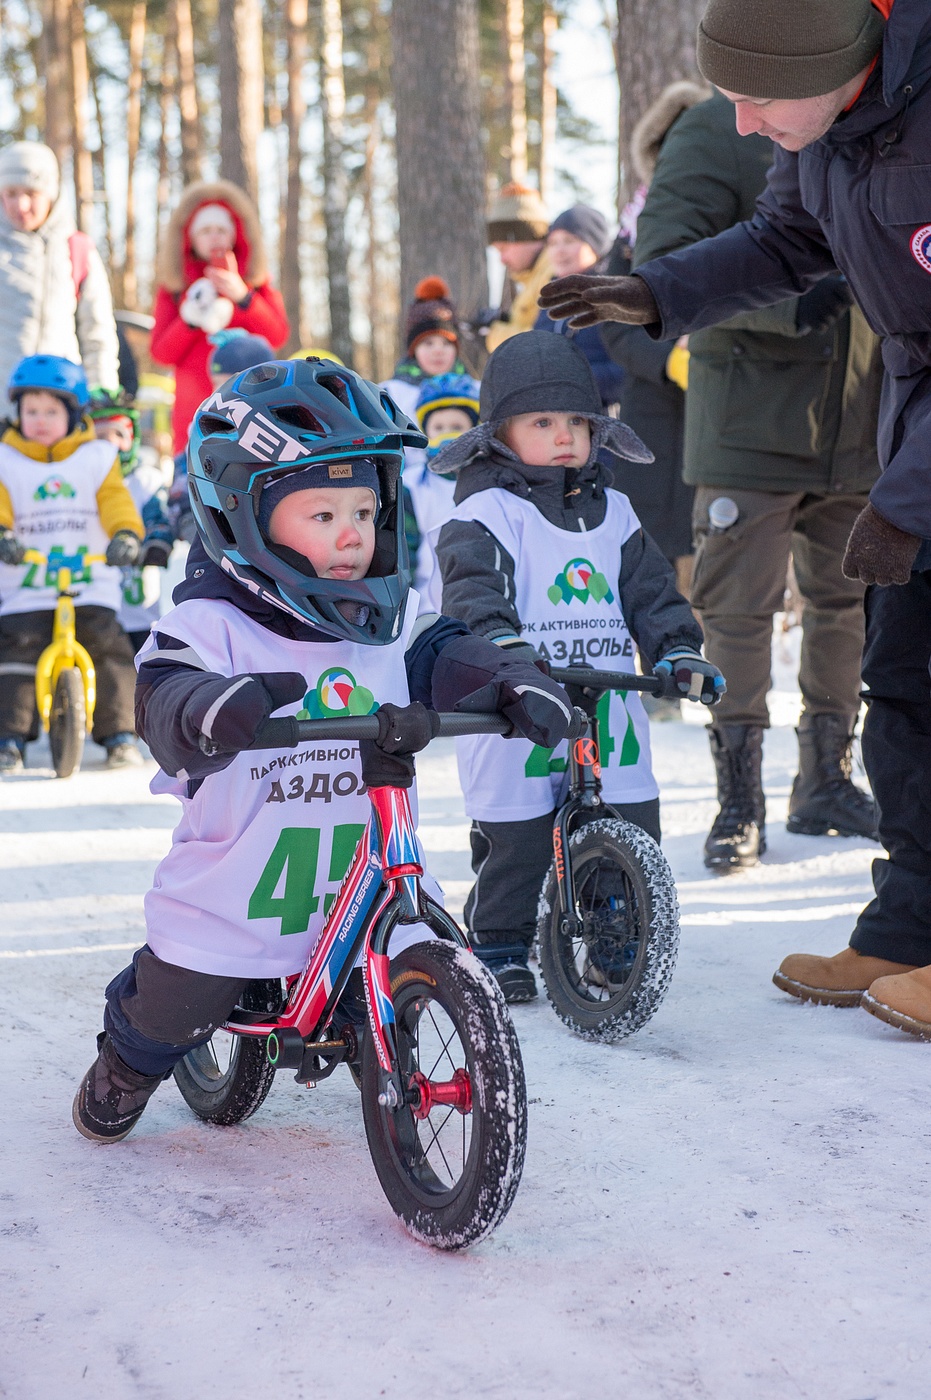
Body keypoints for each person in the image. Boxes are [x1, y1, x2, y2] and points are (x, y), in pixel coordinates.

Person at [538, 0, 931, 1037]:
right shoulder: (833, 130)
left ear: (836, 62)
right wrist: (656, 291)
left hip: (907, 445)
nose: (743, 123)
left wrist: (902, 503)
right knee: (901, 681)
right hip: (911, 422)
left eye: (757, 99)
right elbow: (781, 242)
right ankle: (907, 929)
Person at [70, 356, 577, 1142]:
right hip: (236, 899)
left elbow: (447, 651)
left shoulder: (390, 620)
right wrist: (212, 706)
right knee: (178, 1004)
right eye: (321, 516)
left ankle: (405, 1098)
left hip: (370, 889)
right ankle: (126, 1065)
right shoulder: (211, 629)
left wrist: (513, 680)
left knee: (422, 959)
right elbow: (164, 698)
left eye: (364, 513)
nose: (351, 536)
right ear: (244, 516)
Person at [631, 85, 882, 871]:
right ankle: (737, 800)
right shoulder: (715, 126)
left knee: (846, 606)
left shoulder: (869, 111)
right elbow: (662, 263)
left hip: (860, 416)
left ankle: (826, 782)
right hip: (749, 421)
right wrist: (789, 305)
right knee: (736, 613)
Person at [432, 332, 724, 1002]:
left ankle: (612, 936)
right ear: (498, 435)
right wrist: (503, 651)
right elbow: (475, 596)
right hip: (517, 707)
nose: (564, 437)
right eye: (541, 422)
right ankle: (500, 943)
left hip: (609, 705)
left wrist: (677, 650)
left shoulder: (616, 514)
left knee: (622, 821)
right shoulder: (484, 516)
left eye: (577, 423)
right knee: (519, 838)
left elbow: (651, 595)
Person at [0, 356, 144, 772]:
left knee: (108, 649)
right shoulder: (7, 460)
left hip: (89, 581)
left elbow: (115, 502)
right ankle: (9, 738)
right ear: (17, 413)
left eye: (51, 411)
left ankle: (119, 734)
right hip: (27, 585)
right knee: (16, 654)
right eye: (31, 411)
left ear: (74, 413)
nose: (40, 420)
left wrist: (125, 535)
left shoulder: (97, 458)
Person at [599, 82, 710, 588]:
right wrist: (667, 359)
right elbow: (613, 320)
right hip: (652, 412)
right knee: (652, 568)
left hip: (722, 400)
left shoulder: (734, 210)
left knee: (713, 558)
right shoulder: (631, 229)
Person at [150, 180, 289, 453]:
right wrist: (189, 319)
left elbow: (277, 335)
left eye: (221, 230)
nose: (214, 237)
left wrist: (244, 297)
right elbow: (161, 353)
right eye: (205, 231)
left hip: (252, 409)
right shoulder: (175, 291)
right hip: (194, 413)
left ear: (235, 234)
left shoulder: (254, 284)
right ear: (190, 238)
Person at [0, 142, 119, 417]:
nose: (21, 205)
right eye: (11, 193)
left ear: (51, 194)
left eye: (31, 193)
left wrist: (103, 400)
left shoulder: (77, 249)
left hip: (59, 409)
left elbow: (97, 334)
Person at [167, 329, 276, 546]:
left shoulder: (278, 426)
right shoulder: (211, 425)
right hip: (221, 535)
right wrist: (185, 512)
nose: (217, 392)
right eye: (215, 383)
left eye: (225, 384)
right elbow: (186, 468)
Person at [87, 387, 173, 654]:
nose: (110, 443)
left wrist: (157, 543)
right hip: (93, 599)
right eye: (100, 436)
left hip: (137, 604)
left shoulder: (144, 481)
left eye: (119, 434)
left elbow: (158, 516)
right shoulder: (82, 481)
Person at [532, 205, 625, 409]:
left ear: (595, 246)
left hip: (605, 419)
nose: (559, 250)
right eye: (553, 243)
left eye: (569, 240)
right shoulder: (548, 301)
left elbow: (631, 370)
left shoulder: (613, 297)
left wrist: (576, 380)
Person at [405, 371, 480, 594]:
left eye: (457, 428)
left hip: (483, 592)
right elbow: (405, 552)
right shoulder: (412, 486)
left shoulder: (491, 479)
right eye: (438, 428)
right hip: (429, 601)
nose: (448, 436)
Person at [483, 183, 554, 352]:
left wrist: (492, 334)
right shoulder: (533, 277)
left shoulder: (554, 274)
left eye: (504, 249)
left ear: (526, 237)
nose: (502, 259)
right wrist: (507, 320)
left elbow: (545, 342)